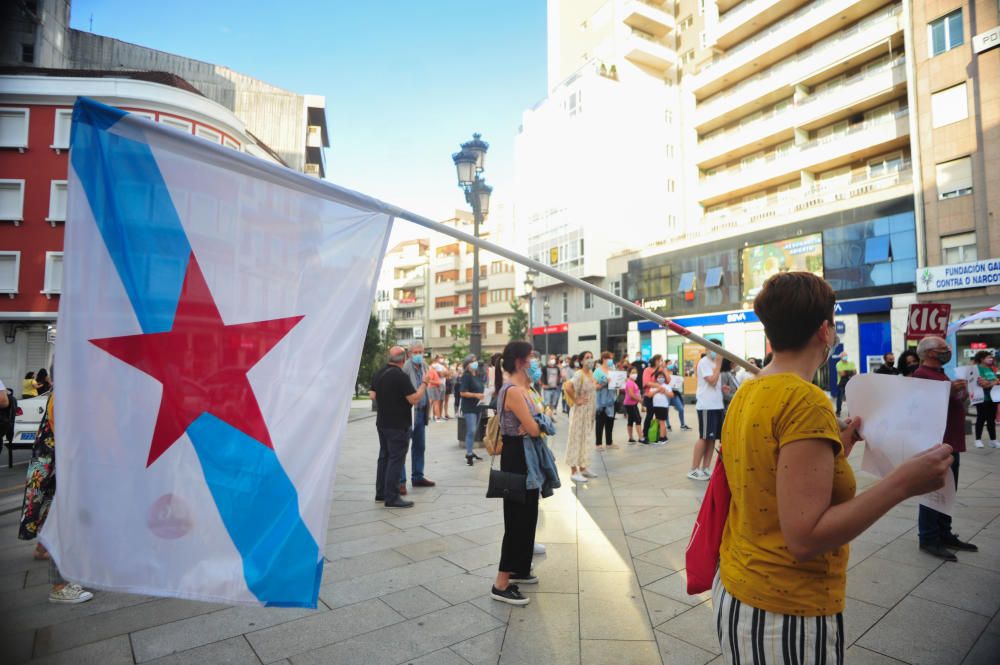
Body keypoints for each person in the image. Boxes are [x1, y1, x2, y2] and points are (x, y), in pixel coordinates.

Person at [715, 272, 953, 662]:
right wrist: (901, 483)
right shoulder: (804, 401)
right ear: (825, 331)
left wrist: (832, 451)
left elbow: (768, 474)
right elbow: (805, 538)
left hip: (739, 589)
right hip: (784, 614)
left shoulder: (750, 389)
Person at [18, 375, 95, 604]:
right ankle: (60, 585)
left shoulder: (69, 389)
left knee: (53, 510)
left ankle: (44, 548)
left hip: (56, 463)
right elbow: (66, 431)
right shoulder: (68, 393)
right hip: (60, 464)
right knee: (62, 516)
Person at [911, 337, 980, 560]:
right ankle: (929, 537)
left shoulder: (941, 373)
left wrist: (960, 392)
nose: (947, 350)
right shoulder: (921, 375)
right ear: (930, 352)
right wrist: (948, 392)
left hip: (950, 441)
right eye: (943, 348)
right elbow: (920, 408)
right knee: (934, 492)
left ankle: (944, 532)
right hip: (936, 443)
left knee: (948, 491)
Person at [490, 341, 544, 606]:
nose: (535, 362)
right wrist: (535, 423)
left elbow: (539, 420)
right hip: (516, 457)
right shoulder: (511, 390)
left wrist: (536, 422)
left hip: (523, 456)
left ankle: (519, 569)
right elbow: (535, 428)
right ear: (522, 361)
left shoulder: (522, 388)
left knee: (528, 514)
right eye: (532, 357)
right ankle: (501, 583)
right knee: (517, 520)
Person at [370, 346, 429, 508]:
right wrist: (424, 383)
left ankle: (380, 493)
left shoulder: (379, 373)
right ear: (403, 360)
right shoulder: (400, 376)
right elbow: (414, 399)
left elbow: (372, 395)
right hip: (398, 424)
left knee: (384, 457)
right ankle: (392, 497)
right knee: (396, 460)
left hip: (382, 422)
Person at [399, 343, 436, 494]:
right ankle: (400, 481)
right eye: (416, 352)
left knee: (420, 445)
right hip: (409, 412)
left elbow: (427, 387)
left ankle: (418, 476)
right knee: (402, 447)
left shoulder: (424, 366)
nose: (419, 354)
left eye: (421, 352)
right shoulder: (405, 368)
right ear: (409, 354)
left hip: (421, 410)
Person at [690, 344, 723, 480]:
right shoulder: (704, 363)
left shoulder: (714, 363)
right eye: (715, 349)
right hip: (706, 406)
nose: (717, 353)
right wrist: (719, 364)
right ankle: (694, 469)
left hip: (717, 405)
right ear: (708, 350)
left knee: (712, 438)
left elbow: (716, 384)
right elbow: (712, 381)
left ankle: (706, 468)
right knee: (704, 437)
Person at [565, 350, 598, 483]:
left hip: (589, 413)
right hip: (579, 412)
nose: (590, 360)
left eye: (591, 357)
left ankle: (583, 468)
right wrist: (576, 399)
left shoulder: (590, 373)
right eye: (587, 357)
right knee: (576, 440)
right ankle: (574, 471)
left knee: (586, 440)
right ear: (581, 361)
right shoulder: (579, 374)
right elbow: (567, 386)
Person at [459, 354, 486, 465]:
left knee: (474, 431)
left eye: (475, 361)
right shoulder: (466, 376)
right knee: (471, 430)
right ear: (467, 364)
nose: (475, 363)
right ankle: (469, 454)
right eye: (472, 361)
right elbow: (462, 392)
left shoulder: (477, 375)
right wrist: (476, 395)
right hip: (469, 408)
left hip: (478, 407)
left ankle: (470, 451)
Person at [970, 350, 999, 449]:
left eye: (991, 357)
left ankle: (993, 440)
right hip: (982, 398)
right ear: (982, 359)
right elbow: (982, 384)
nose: (991, 359)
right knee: (981, 419)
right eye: (988, 357)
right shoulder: (977, 369)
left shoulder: (990, 369)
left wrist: (992, 382)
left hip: (993, 398)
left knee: (991, 420)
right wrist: (993, 382)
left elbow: (996, 381)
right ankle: (978, 440)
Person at [594, 352, 617, 449]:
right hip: (601, 401)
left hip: (611, 400)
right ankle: (598, 443)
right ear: (604, 359)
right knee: (600, 422)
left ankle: (609, 442)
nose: (611, 361)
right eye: (609, 359)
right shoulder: (598, 371)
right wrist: (604, 383)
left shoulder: (613, 370)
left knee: (610, 421)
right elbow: (594, 386)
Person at [639, 354, 662, 444]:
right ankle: (645, 434)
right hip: (649, 395)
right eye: (660, 360)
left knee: (659, 416)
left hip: (659, 395)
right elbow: (646, 382)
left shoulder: (660, 370)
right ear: (656, 360)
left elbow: (667, 380)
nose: (661, 362)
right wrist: (657, 385)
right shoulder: (647, 370)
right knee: (650, 414)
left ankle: (656, 434)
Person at [646, 369, 672, 445]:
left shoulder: (667, 386)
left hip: (663, 406)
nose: (660, 378)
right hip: (656, 406)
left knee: (662, 422)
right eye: (659, 377)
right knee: (660, 422)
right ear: (656, 378)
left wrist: (664, 391)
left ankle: (662, 438)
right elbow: (649, 395)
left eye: (662, 377)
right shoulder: (654, 386)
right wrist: (657, 390)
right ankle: (664, 436)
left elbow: (671, 395)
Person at [663, 364, 691, 432]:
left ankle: (682, 425)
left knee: (681, 409)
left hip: (674, 394)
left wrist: (679, 381)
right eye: (670, 369)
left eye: (673, 369)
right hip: (666, 394)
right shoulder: (664, 375)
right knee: (666, 411)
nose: (672, 370)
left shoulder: (676, 376)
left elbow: (678, 385)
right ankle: (668, 426)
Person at [834, 351, 856, 417]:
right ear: (841, 357)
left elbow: (855, 372)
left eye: (846, 356)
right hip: (841, 383)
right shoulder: (838, 364)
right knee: (839, 398)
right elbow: (841, 374)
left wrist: (846, 372)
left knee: (850, 398)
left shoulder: (851, 363)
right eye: (843, 356)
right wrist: (850, 372)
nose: (845, 357)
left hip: (850, 383)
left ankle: (851, 413)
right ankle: (838, 411)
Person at [623, 368, 642, 443]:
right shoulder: (630, 382)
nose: (635, 374)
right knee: (638, 419)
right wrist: (640, 400)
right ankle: (641, 438)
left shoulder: (632, 382)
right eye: (632, 372)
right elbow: (631, 394)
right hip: (631, 404)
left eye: (636, 372)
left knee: (630, 420)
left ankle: (631, 438)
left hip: (631, 403)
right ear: (629, 374)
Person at [542, 354, 562, 419]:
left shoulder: (557, 368)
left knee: (553, 404)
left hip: (555, 388)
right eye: (551, 358)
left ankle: (550, 416)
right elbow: (539, 377)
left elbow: (559, 376)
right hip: (547, 389)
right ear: (549, 359)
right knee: (547, 403)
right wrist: (542, 385)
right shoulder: (544, 367)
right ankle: (546, 418)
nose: (553, 360)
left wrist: (558, 382)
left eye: (554, 359)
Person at [426, 357, 444, 422]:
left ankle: (429, 416)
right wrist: (438, 382)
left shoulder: (433, 370)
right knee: (435, 402)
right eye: (435, 363)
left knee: (432, 402)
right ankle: (437, 417)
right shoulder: (431, 370)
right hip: (433, 387)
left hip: (434, 387)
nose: (437, 364)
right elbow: (429, 380)